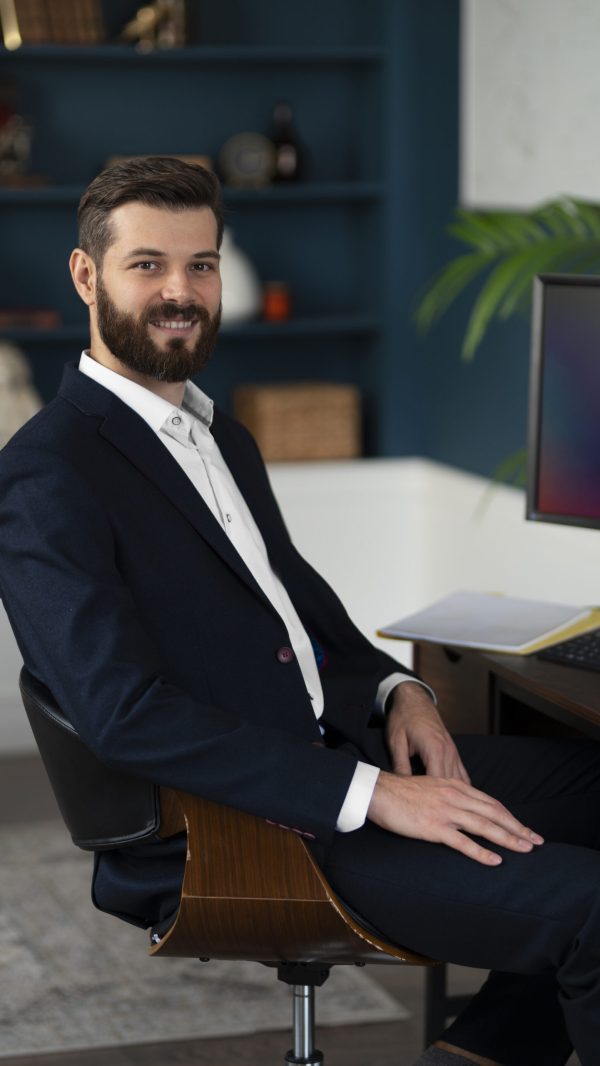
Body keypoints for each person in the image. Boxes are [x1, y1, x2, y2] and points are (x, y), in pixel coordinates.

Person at [0, 156, 599, 1066]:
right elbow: (124, 716)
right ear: (87, 276)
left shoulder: (218, 434)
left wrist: (402, 693)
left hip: (327, 759)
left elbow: (301, 617)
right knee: (594, 907)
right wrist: (375, 796)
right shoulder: (48, 472)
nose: (181, 292)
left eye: (201, 265)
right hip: (238, 828)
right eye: (148, 265)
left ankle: (482, 1050)